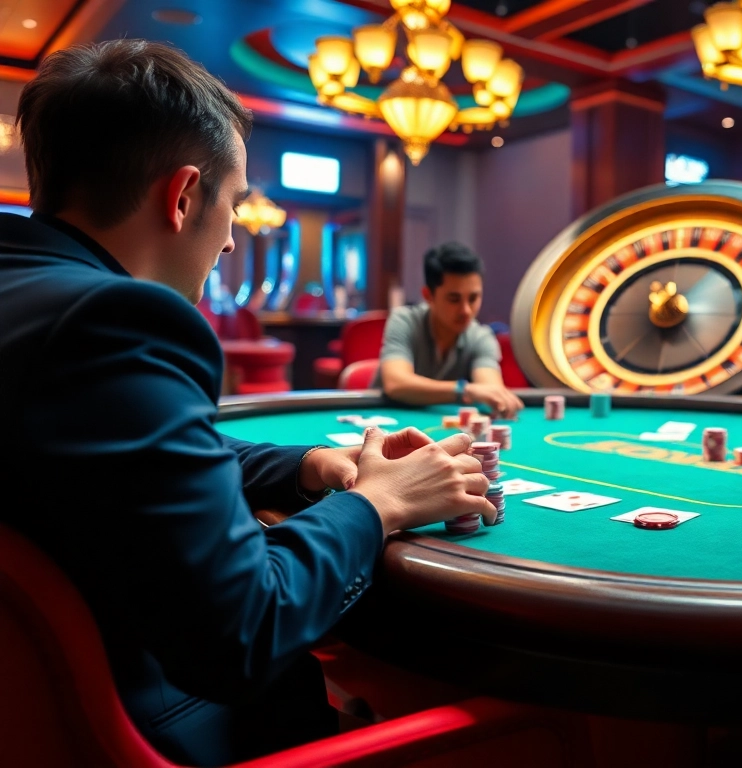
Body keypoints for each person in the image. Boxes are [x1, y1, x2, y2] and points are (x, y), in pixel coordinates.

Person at [0, 40, 496, 765]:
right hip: (134, 730)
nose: (232, 239)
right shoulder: (117, 323)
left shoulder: (27, 298)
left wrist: (310, 466)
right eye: (232, 204)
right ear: (183, 196)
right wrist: (377, 506)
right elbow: (244, 631)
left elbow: (111, 450)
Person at [373, 242, 523, 418]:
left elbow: (489, 389)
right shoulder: (404, 321)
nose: (466, 310)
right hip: (383, 422)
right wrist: (464, 390)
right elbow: (395, 383)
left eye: (473, 298)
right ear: (428, 295)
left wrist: (494, 399)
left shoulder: (481, 337)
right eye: (454, 299)